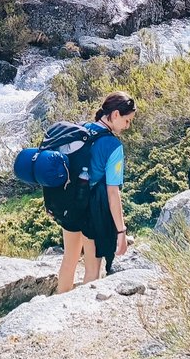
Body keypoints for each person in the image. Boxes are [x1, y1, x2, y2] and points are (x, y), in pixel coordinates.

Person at [57, 92, 136, 292]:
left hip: (70, 203)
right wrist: (121, 231)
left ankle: (58, 306)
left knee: (69, 259)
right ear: (116, 114)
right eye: (127, 121)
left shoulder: (81, 129)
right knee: (93, 270)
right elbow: (112, 193)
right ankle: (80, 315)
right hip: (92, 211)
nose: (128, 126)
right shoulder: (113, 146)